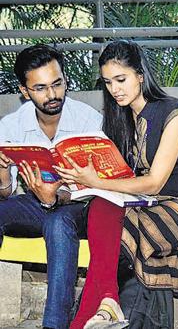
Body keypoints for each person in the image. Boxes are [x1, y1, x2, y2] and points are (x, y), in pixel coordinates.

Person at [53, 40, 178, 329]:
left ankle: (94, 313)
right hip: (139, 205)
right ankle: (108, 302)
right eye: (108, 82)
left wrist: (95, 180)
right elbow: (114, 180)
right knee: (101, 207)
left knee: (121, 232)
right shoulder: (117, 120)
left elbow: (155, 181)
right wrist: (81, 180)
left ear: (140, 75)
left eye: (121, 79)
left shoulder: (174, 112)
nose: (115, 89)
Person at [0, 44, 102, 329]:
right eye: (41, 88)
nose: (52, 94)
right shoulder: (11, 125)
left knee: (58, 223)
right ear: (25, 91)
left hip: (78, 208)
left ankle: (54, 325)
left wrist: (55, 198)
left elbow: (99, 189)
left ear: (65, 81)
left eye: (57, 84)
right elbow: (6, 193)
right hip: (35, 204)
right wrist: (3, 173)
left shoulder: (89, 121)